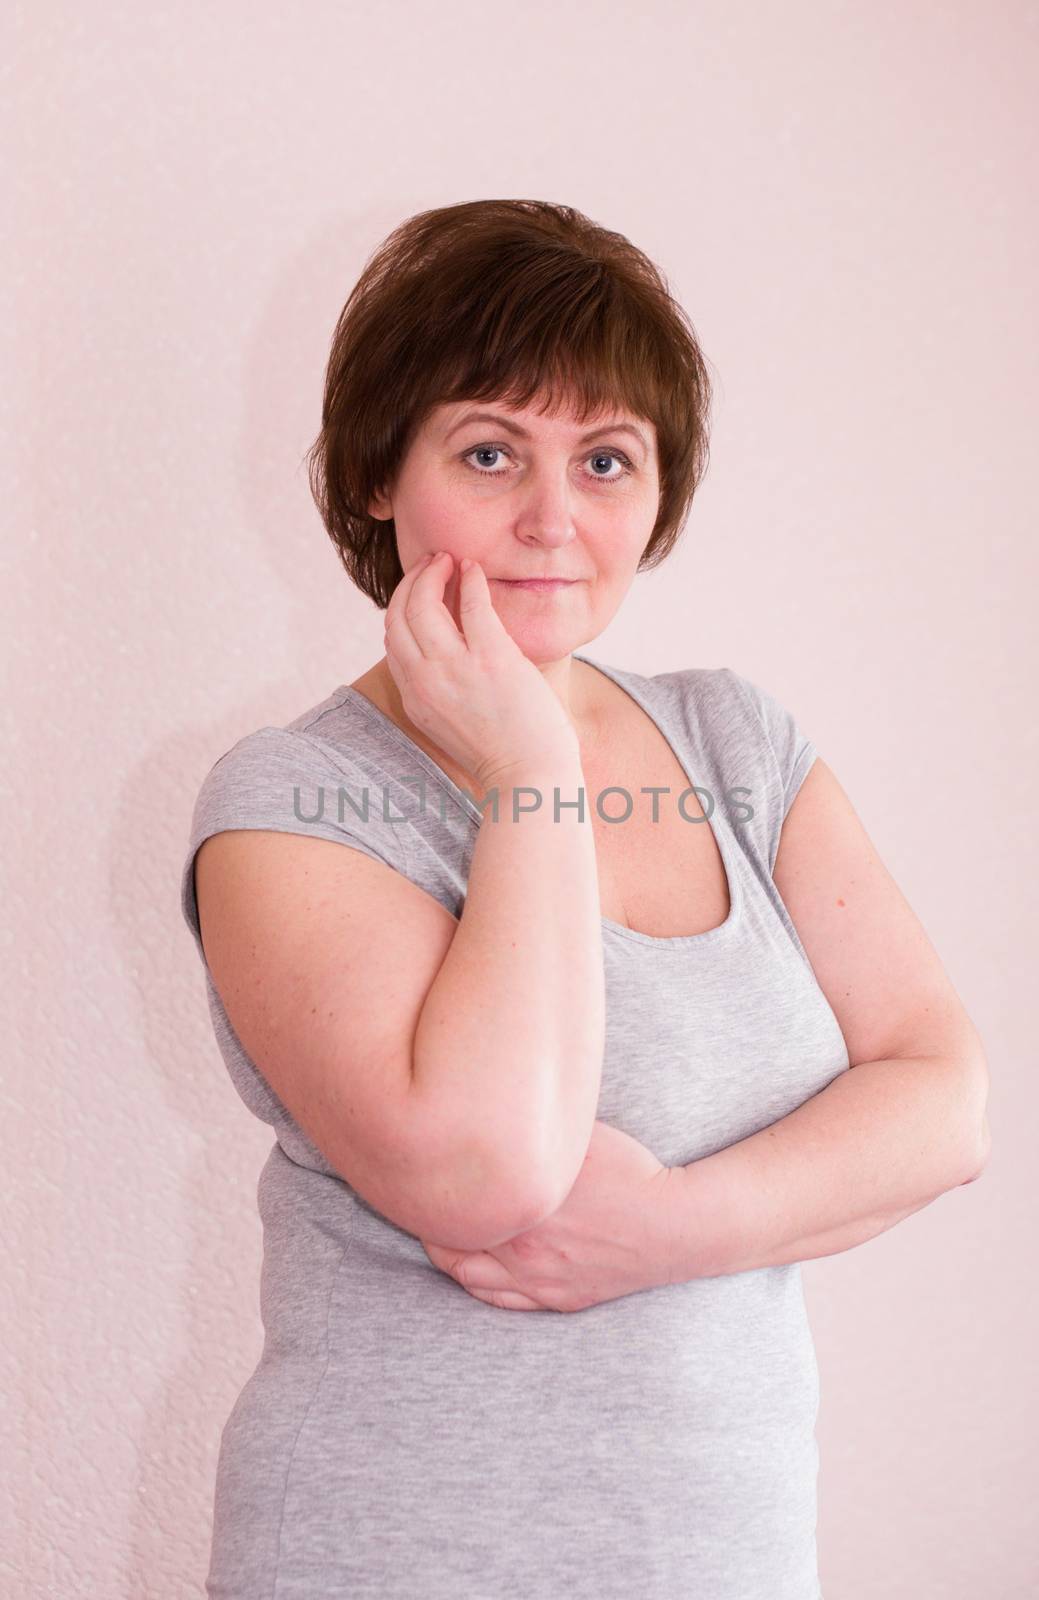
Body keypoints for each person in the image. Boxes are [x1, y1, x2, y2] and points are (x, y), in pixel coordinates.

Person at [179, 199, 989, 1599]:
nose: (554, 521)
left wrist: (674, 1227)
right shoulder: (290, 799)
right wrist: (532, 764)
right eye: (491, 453)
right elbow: (487, 1171)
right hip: (398, 1560)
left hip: (721, 1562)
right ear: (382, 474)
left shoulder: (739, 743)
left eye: (606, 460)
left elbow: (944, 1103)